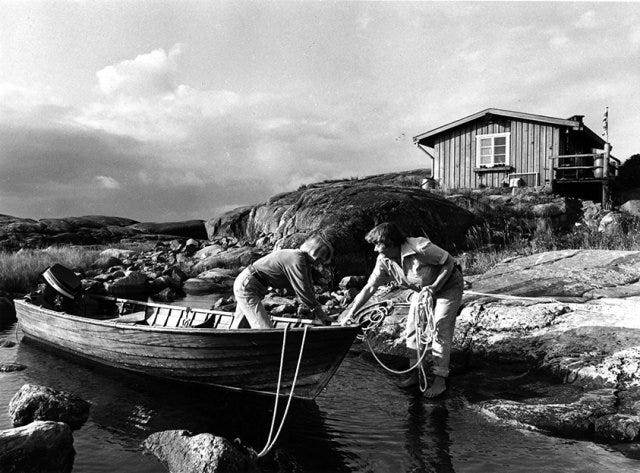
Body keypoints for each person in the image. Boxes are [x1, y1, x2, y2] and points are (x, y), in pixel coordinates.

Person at [343, 223, 463, 398]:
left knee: (439, 328)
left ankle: (440, 380)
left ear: (391, 242)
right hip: (420, 291)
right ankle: (414, 373)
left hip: (448, 287)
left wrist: (435, 287)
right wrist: (351, 313)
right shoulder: (384, 260)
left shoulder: (420, 247)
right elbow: (370, 288)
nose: (375, 249)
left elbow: (449, 262)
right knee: (412, 330)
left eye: (378, 244)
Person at [232, 234, 334, 329]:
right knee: (265, 329)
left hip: (252, 286)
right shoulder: (296, 258)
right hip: (247, 286)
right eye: (320, 259)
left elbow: (308, 286)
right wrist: (319, 313)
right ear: (314, 252)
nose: (319, 263)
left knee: (240, 326)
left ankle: (231, 345)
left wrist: (318, 311)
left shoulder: (303, 262)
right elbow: (303, 289)